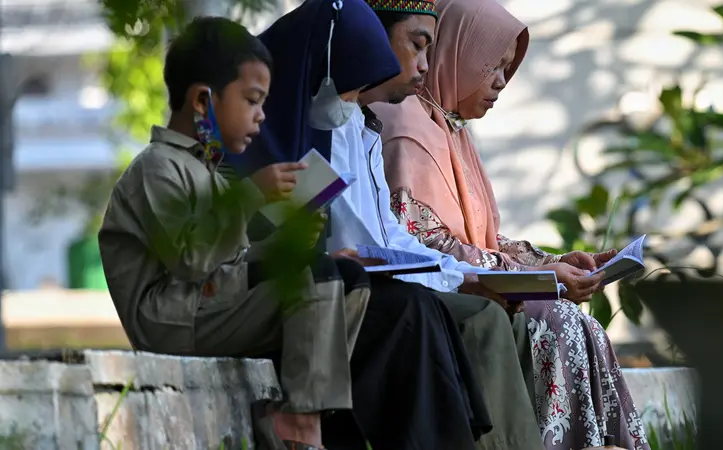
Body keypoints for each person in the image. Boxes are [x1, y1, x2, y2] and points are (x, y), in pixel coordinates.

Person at [371, 0, 651, 449]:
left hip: (478, 282)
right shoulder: (404, 126)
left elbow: (479, 238)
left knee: (583, 324)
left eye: (507, 69)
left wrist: (552, 263)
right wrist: (535, 279)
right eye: (491, 66)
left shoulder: (448, 127)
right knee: (557, 320)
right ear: (454, 52)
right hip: (439, 291)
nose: (501, 82)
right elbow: (423, 242)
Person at [220, 1, 492, 449]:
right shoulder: (251, 130)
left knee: (415, 309)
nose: (351, 104)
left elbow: (374, 233)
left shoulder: (337, 127)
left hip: (319, 293)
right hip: (262, 302)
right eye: (348, 90)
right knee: (409, 310)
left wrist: (463, 275)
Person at [324, 1, 546, 449]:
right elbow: (365, 243)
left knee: (511, 314)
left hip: (390, 282)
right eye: (418, 46)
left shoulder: (366, 124)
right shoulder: (353, 124)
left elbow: (391, 232)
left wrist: (472, 276)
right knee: (485, 316)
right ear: (371, 39)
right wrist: (467, 278)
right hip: (349, 294)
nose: (425, 65)